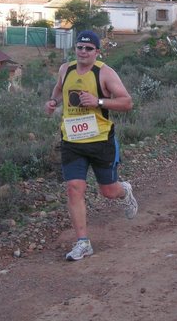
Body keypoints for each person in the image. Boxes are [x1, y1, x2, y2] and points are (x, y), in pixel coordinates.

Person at [45, 30, 138, 261]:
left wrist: (97, 101)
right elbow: (58, 89)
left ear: (97, 51)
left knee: (108, 191)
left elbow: (127, 102)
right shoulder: (66, 69)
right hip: (72, 141)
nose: (83, 52)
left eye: (88, 48)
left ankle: (124, 191)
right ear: (75, 49)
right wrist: (53, 102)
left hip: (100, 141)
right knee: (74, 189)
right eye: (79, 47)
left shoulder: (105, 73)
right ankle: (83, 242)